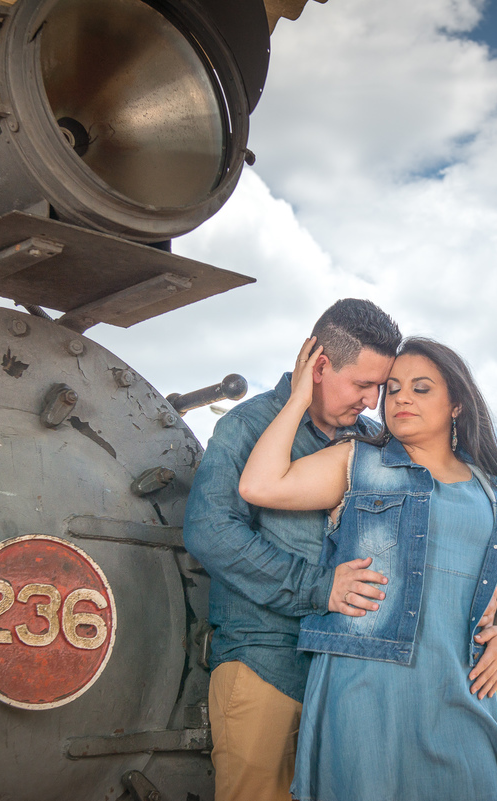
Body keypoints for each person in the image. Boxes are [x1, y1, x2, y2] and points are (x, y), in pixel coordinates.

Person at [239, 335, 497, 801]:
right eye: (392, 389)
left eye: (421, 388)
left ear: (457, 404)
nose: (401, 399)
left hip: (463, 686)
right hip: (364, 687)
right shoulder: (358, 462)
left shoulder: (491, 490)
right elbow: (260, 485)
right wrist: (299, 398)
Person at [183, 299, 404, 801]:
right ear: (319, 367)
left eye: (380, 387)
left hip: (347, 675)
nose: (373, 402)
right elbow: (209, 530)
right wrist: (319, 588)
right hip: (265, 665)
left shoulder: (373, 443)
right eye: (363, 384)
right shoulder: (247, 425)